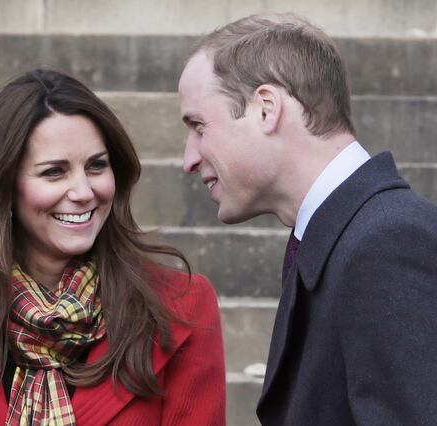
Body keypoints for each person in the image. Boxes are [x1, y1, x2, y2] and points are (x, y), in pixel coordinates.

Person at [0, 69, 225, 425]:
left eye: (97, 166)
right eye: (54, 172)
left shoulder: (182, 307)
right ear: (4, 187)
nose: (83, 192)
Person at [179, 13, 437, 425]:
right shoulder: (348, 236)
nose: (189, 158)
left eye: (198, 126)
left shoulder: (386, 243)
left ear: (266, 109)